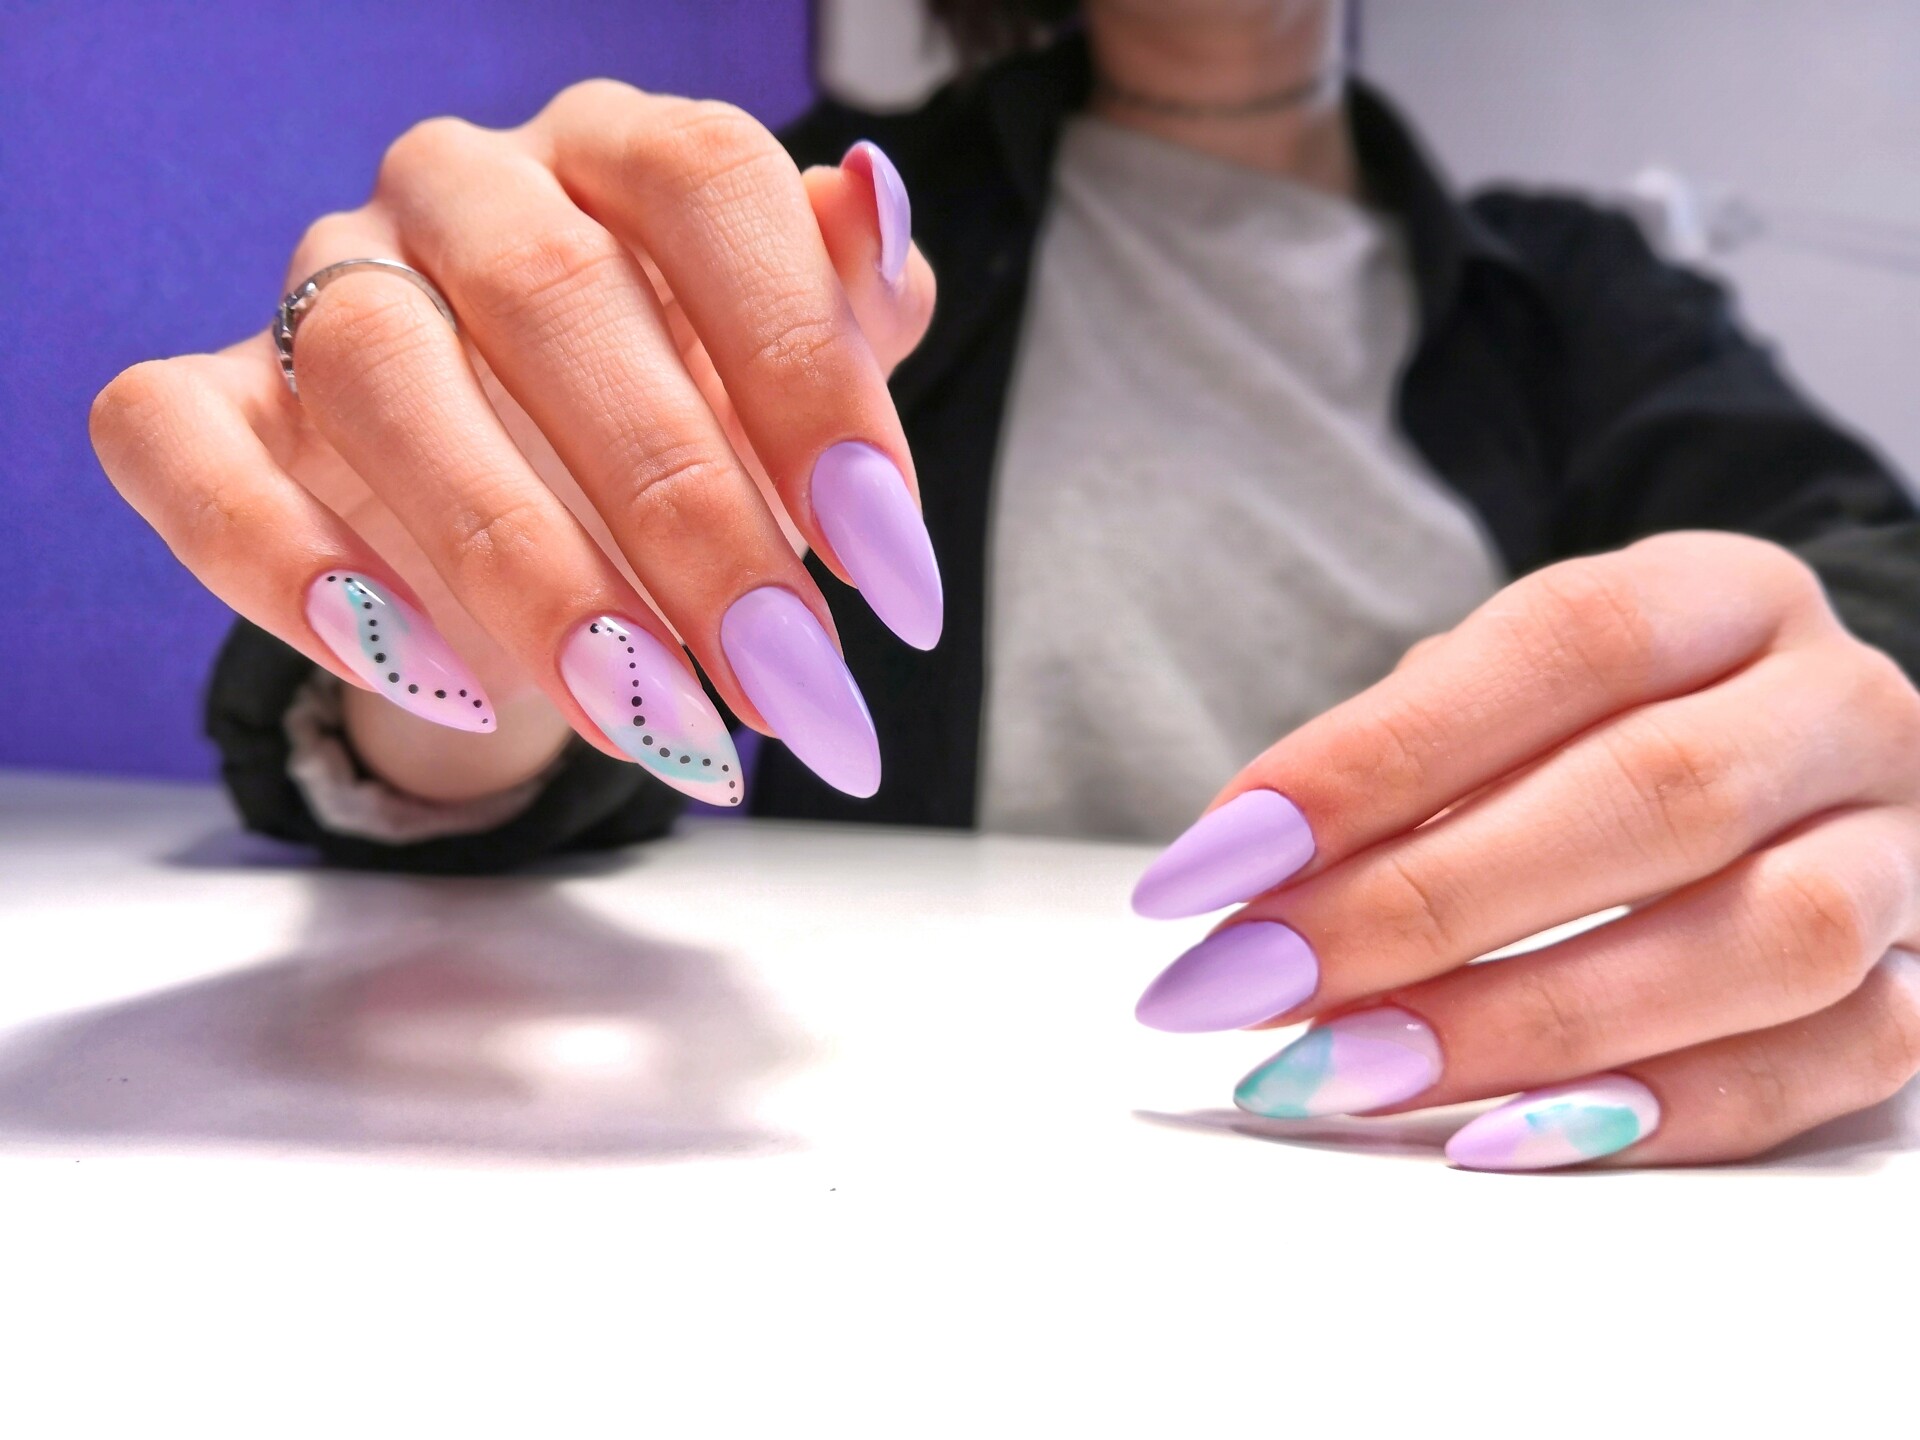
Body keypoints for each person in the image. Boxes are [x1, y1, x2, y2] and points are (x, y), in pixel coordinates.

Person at [89, 0, 1920, 1171]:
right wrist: (461, 616)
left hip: (1426, 1177)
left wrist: (1833, 725)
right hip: (868, 1135)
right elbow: (472, 751)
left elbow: (1865, 577)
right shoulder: (829, 215)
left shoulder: (1567, 289)